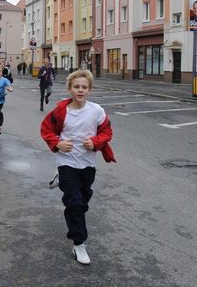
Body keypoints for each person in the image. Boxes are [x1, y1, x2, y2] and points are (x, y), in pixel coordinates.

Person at [40, 69, 116, 265]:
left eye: (84, 87)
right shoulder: (60, 111)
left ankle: (67, 189)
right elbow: (46, 129)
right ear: (69, 89)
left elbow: (107, 131)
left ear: (89, 90)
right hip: (67, 161)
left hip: (88, 163)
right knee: (74, 202)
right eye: (76, 87)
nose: (80, 90)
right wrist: (57, 143)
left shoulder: (96, 110)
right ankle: (79, 244)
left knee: (82, 200)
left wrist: (96, 142)